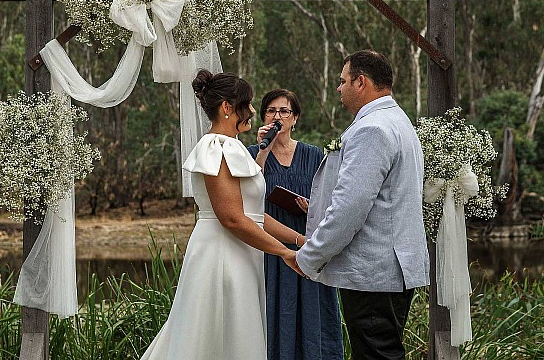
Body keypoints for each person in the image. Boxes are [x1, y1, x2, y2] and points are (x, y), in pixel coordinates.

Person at [141, 70, 305, 360]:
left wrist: (297, 240)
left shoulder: (233, 147)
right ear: (228, 107)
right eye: (248, 103)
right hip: (223, 256)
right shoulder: (215, 148)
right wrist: (283, 254)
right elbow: (231, 218)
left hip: (240, 252)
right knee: (220, 338)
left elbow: (252, 213)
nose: (254, 110)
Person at [295, 50, 430, 360]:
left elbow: (349, 209)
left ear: (361, 82)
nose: (339, 88)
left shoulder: (372, 129)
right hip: (387, 269)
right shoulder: (397, 120)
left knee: (376, 354)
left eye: (343, 81)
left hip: (372, 272)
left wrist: (309, 257)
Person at [247, 89, 343, 360]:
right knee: (274, 309)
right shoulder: (251, 153)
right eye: (271, 111)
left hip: (308, 244)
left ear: (295, 118)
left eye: (284, 111)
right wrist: (263, 149)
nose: (277, 117)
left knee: (314, 310)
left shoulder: (313, 155)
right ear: (263, 117)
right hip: (269, 246)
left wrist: (313, 206)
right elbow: (247, 191)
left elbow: (334, 199)